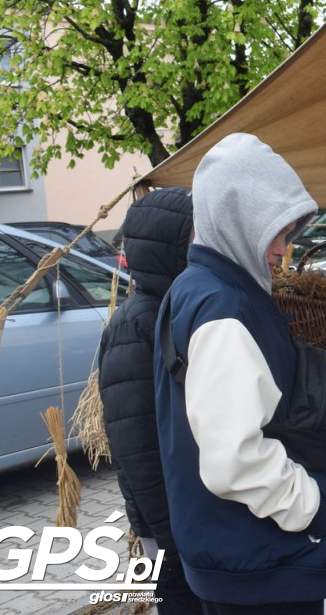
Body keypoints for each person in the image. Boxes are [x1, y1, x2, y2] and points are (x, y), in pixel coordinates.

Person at [154, 133, 326, 614]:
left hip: (233, 550)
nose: (283, 249)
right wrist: (307, 506)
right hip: (258, 559)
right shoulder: (224, 308)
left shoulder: (195, 286)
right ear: (237, 217)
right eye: (275, 230)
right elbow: (234, 459)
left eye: (291, 233)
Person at [97, 186, 200, 613]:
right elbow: (136, 446)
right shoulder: (136, 325)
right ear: (169, 246)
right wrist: (171, 536)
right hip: (168, 523)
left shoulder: (179, 308)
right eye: (197, 238)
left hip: (188, 514)